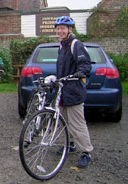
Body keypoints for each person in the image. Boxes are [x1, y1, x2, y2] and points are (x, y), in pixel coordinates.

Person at [54, 16, 93, 168]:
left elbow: (85, 64)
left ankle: (86, 152)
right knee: (65, 122)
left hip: (74, 91)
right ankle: (70, 145)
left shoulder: (76, 44)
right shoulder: (62, 45)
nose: (60, 31)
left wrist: (81, 72)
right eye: (58, 28)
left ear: (70, 29)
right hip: (63, 91)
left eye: (63, 28)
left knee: (77, 124)